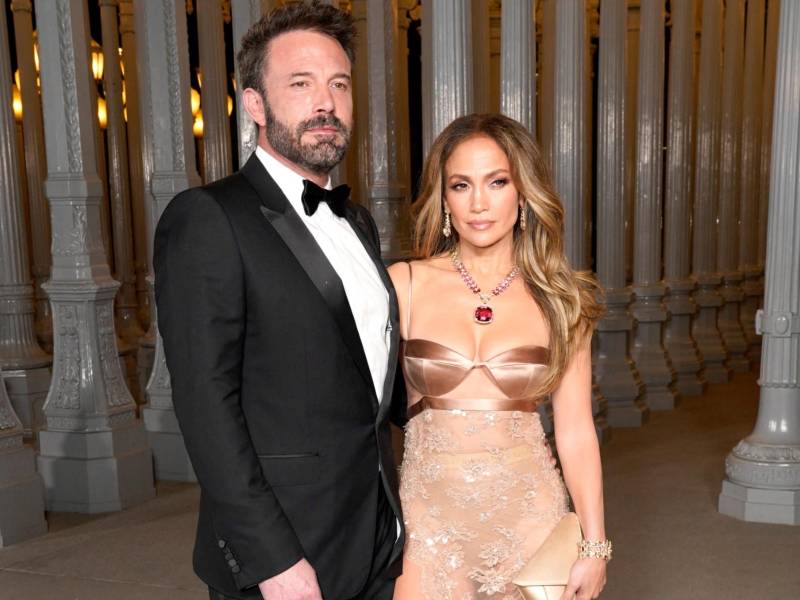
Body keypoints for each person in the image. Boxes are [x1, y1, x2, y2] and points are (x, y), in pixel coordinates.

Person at [153, 3, 404, 599]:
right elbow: (205, 407)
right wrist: (272, 561)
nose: (326, 102)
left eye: (338, 84)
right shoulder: (210, 217)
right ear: (256, 105)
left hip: (375, 534)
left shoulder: (359, 223)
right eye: (301, 83)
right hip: (288, 555)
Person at [388, 113, 609, 600]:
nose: (479, 203)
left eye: (497, 181)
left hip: (529, 517)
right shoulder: (405, 284)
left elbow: (575, 431)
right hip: (429, 523)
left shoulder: (562, 299)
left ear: (523, 192)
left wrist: (595, 547)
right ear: (444, 198)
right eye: (461, 185)